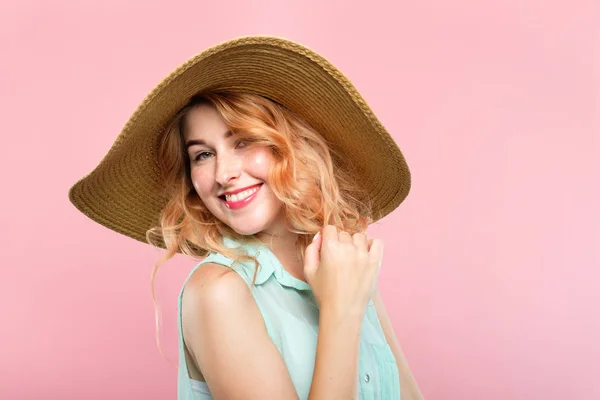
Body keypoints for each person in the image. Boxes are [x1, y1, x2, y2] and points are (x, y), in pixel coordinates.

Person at [69, 36, 423, 399]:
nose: (223, 173)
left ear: (295, 144)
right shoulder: (218, 293)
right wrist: (340, 312)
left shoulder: (341, 259)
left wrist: (350, 296)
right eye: (203, 155)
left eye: (242, 141)